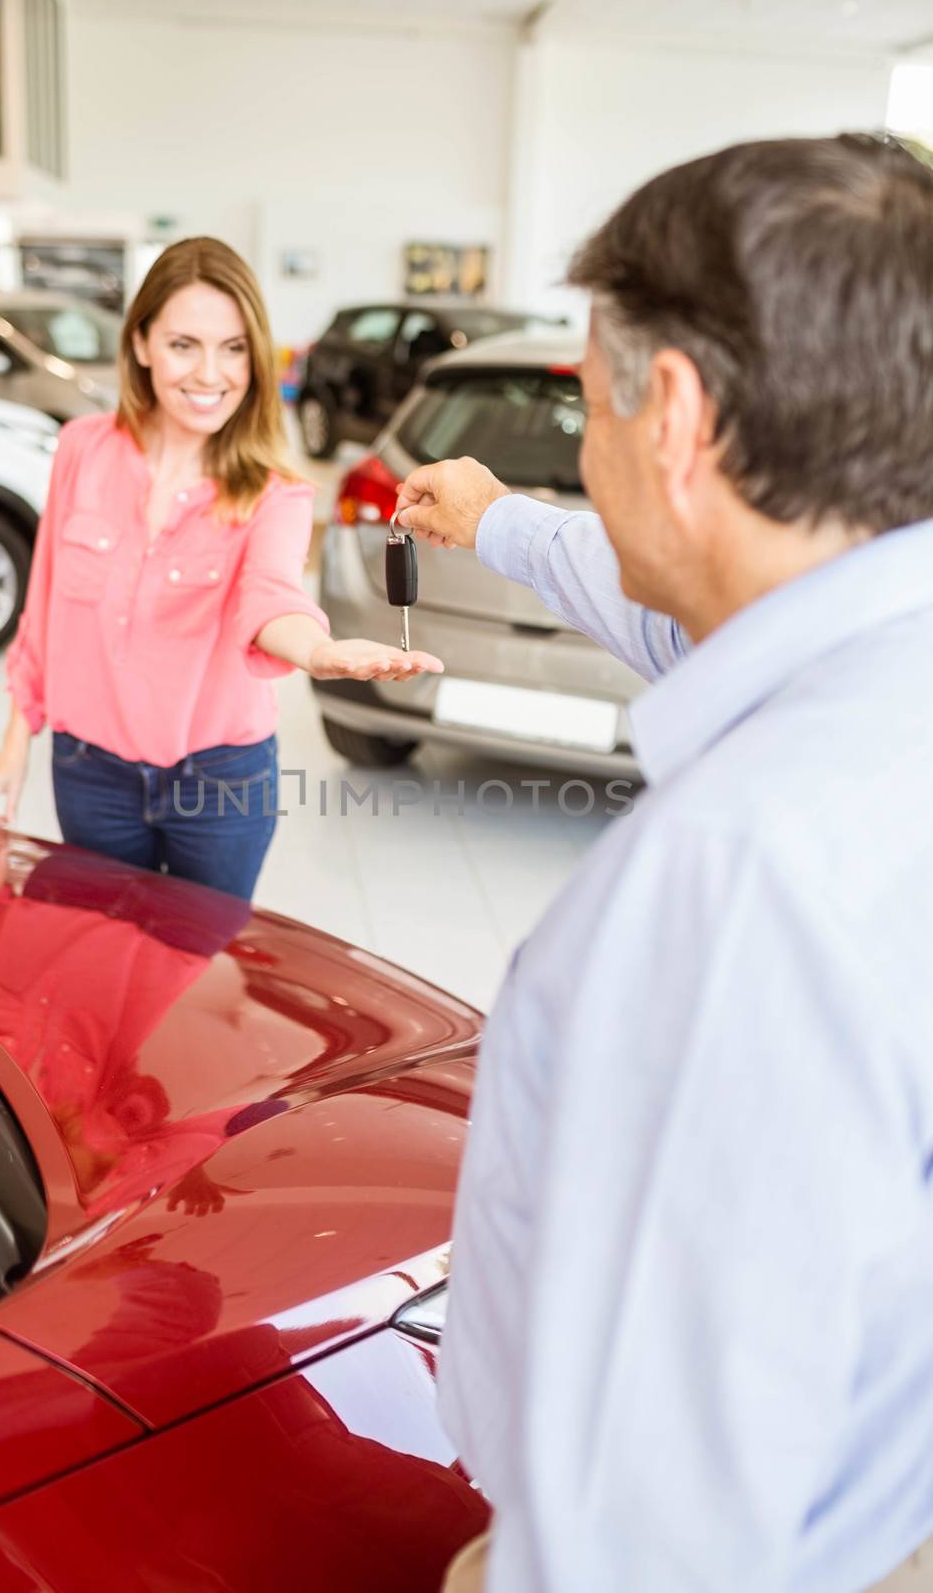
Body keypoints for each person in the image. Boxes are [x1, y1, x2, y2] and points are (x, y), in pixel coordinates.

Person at [393, 135, 933, 1592]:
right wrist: (497, 520)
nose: (583, 440)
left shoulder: (742, 883)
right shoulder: (877, 659)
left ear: (674, 415)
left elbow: (655, 1533)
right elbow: (669, 613)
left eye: (585, 397)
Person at [0, 237, 441, 899]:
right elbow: (44, 608)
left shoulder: (275, 491)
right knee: (99, 961)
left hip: (220, 785)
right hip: (89, 771)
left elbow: (269, 596)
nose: (209, 374)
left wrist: (319, 653)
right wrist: (14, 745)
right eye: (183, 345)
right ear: (140, 345)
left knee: (196, 977)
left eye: (233, 348)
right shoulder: (83, 449)